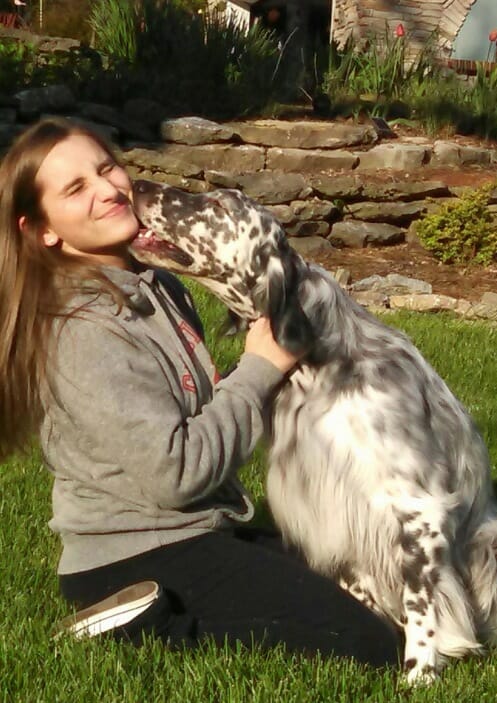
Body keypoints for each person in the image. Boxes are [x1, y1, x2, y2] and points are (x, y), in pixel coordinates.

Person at [0, 117, 399, 667]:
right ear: (44, 230)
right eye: (75, 189)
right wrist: (259, 368)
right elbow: (176, 475)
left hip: (199, 530)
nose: (108, 189)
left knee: (375, 589)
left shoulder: (158, 285)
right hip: (135, 557)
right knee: (366, 643)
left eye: (106, 167)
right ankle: (134, 623)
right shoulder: (80, 329)